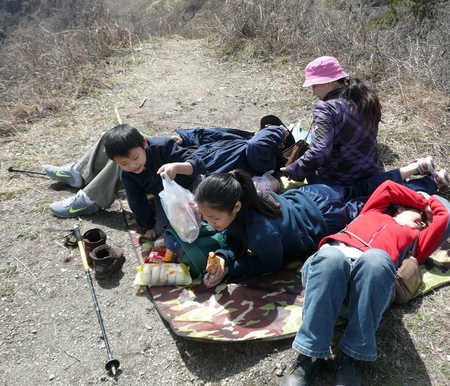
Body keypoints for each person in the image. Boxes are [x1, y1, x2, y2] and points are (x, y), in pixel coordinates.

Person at [279, 179, 450, 386]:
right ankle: (309, 355)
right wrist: (423, 199)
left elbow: (445, 216)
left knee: (376, 258)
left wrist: (431, 206)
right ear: (399, 207)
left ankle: (352, 357)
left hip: (364, 294)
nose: (423, 224)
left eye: (426, 222)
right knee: (332, 257)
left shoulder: (417, 241)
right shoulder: (372, 211)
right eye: (420, 217)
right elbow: (388, 187)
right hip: (325, 279)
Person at [191, 161, 449, 288]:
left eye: (214, 219)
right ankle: (426, 177)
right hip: (314, 194)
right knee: (365, 188)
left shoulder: (261, 233)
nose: (212, 224)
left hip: (326, 219)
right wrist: (224, 257)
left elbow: (270, 263)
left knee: (376, 204)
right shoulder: (250, 197)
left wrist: (232, 269)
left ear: (235, 207)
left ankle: (428, 187)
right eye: (207, 218)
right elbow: (236, 237)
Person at [44, 121, 291, 224]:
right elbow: (209, 133)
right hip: (185, 153)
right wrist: (184, 136)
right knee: (116, 138)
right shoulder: (245, 137)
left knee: (128, 163)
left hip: (190, 173)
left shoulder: (257, 156)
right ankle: (79, 171)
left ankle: (90, 198)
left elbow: (270, 134)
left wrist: (280, 131)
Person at [281, 56, 382, 185]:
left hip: (339, 180)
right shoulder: (364, 96)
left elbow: (320, 152)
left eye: (314, 85)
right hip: (370, 172)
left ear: (328, 82)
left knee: (302, 137)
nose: (313, 92)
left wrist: (293, 170)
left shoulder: (326, 108)